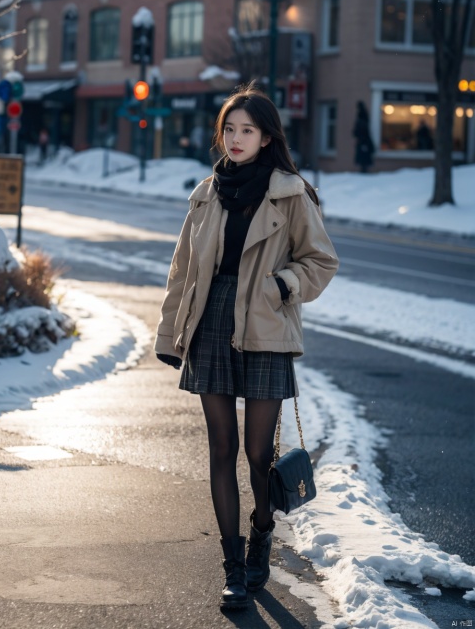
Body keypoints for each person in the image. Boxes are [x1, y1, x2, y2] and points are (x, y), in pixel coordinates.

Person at [154, 83, 339, 611]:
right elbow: (183, 271)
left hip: (265, 326)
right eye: (229, 129)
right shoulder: (206, 193)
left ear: (266, 137)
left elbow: (321, 262)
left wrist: (282, 286)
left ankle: (262, 534)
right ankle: (233, 567)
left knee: (259, 454)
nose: (235, 139)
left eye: (247, 130)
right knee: (220, 448)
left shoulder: (290, 194)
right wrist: (171, 335)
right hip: (212, 322)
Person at [352, 101, 375, 173]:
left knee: (363, 159)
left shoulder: (361, 120)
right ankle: (364, 171)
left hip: (363, 142)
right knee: (364, 159)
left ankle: (364, 172)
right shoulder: (363, 118)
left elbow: (357, 132)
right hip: (364, 142)